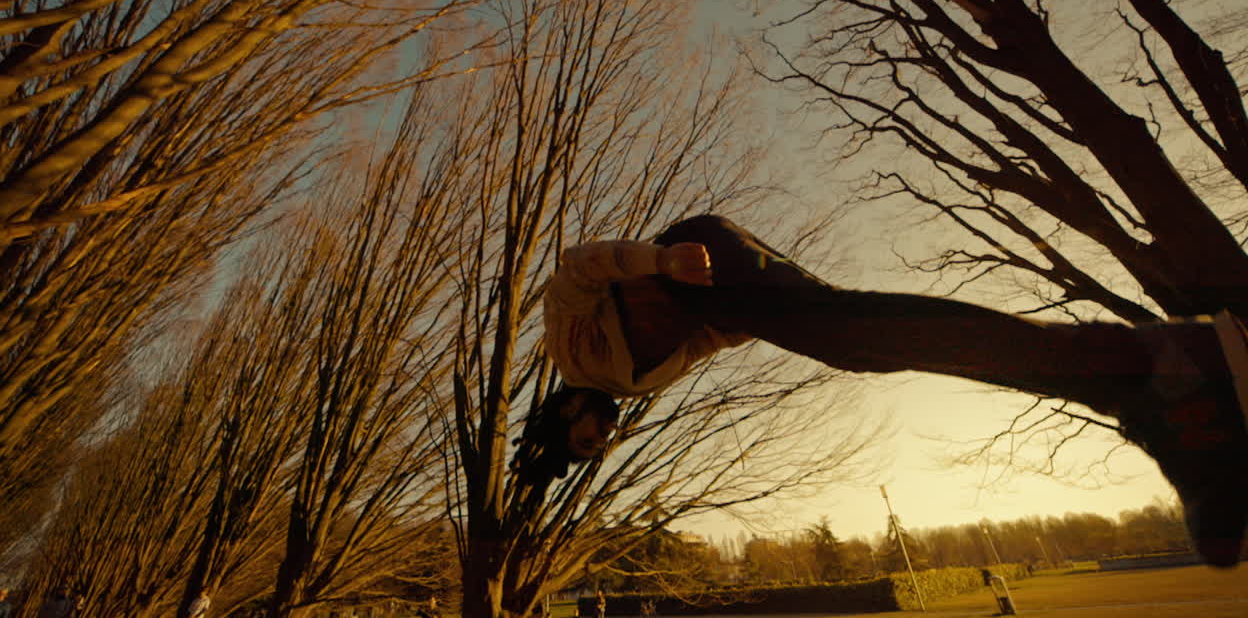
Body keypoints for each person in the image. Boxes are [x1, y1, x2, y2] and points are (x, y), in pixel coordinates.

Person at [525, 214, 1248, 567]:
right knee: (860, 343)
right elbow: (702, 341)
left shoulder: (571, 351)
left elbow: (575, 270)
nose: (605, 437)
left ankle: (1149, 367)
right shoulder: (637, 383)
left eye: (588, 438)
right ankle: (1147, 381)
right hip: (723, 298)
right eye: (600, 447)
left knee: (855, 338)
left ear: (566, 412)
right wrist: (756, 327)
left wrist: (657, 260)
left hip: (696, 252)